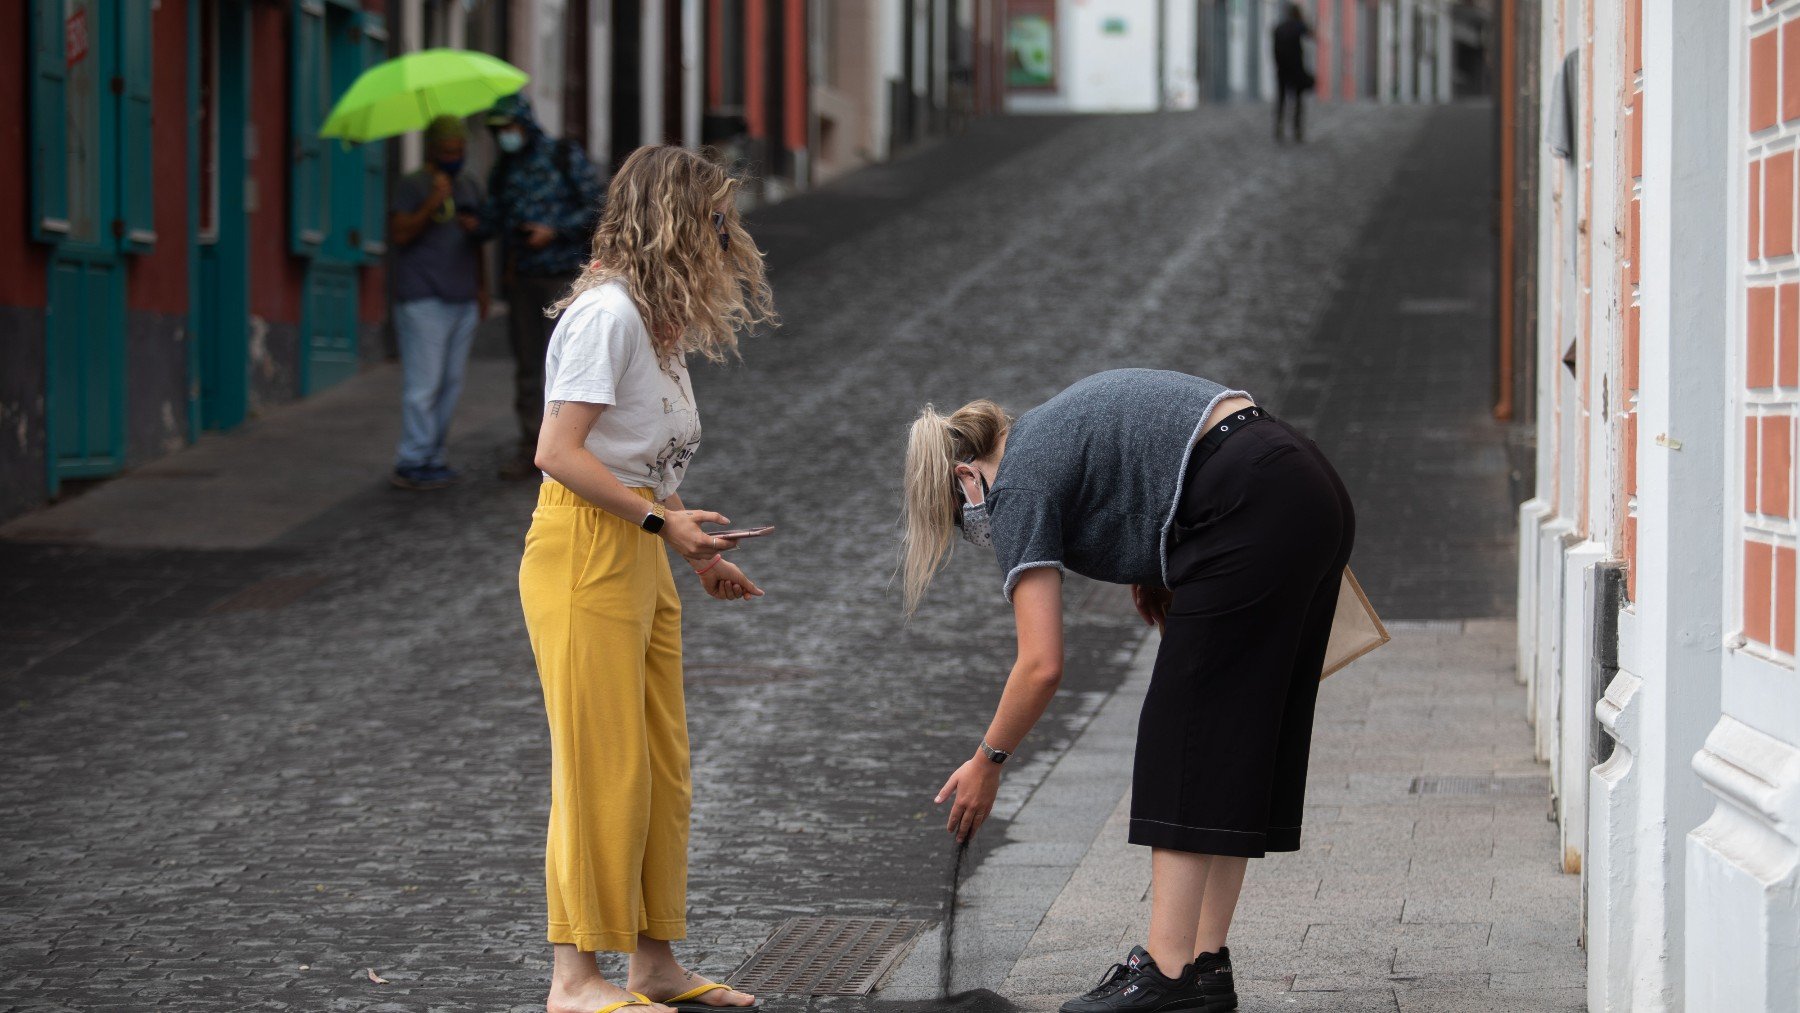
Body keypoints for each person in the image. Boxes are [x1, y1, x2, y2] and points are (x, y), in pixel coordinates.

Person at [903, 370, 1354, 1013]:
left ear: (965, 478)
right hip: (1303, 484)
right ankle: (1204, 970)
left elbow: (1041, 665)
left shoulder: (1019, 482)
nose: (980, 530)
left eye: (961, 519)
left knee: (1183, 736)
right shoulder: (1045, 434)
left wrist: (988, 761)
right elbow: (1152, 459)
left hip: (1246, 502)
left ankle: (1164, 977)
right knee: (1232, 740)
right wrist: (1158, 562)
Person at [518, 145, 778, 1013]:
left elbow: (641, 465)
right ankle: (573, 979)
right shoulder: (608, 317)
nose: (725, 236)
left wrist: (696, 548)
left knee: (661, 764)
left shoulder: (652, 323)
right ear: (671, 221)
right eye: (713, 220)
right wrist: (663, 524)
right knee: (600, 766)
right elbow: (557, 453)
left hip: (634, 548)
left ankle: (654, 962)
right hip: (584, 552)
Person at [481, 93, 607, 480]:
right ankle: (532, 445)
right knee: (528, 365)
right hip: (523, 278)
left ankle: (576, 447)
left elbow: (597, 206)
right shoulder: (503, 168)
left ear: (525, 123)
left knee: (573, 364)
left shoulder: (562, 156)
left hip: (566, 276)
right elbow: (495, 216)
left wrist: (554, 231)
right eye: (498, 131)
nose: (505, 136)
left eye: (509, 128)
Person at [387, 115, 488, 490]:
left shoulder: (469, 184)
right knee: (423, 383)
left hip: (462, 295)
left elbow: (477, 243)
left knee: (450, 382)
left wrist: (482, 287)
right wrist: (433, 202)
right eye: (447, 150)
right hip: (422, 296)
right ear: (432, 149)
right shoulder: (413, 185)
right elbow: (400, 233)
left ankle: (434, 454)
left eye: (460, 150)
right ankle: (411, 458)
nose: (455, 156)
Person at [1272, 3, 1313, 143]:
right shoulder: (1298, 26)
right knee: (1298, 100)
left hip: (1282, 69)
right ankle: (1297, 128)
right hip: (1296, 69)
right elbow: (1311, 34)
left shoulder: (1279, 28)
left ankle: (1279, 126)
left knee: (1281, 100)